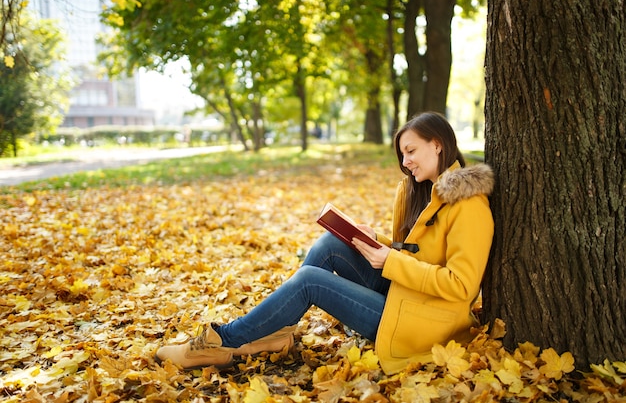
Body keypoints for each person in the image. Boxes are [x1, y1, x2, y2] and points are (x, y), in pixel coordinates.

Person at [155, 112, 495, 375]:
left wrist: (389, 261)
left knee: (308, 282)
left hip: (423, 322)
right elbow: (415, 251)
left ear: (437, 144)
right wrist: (374, 240)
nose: (405, 162)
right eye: (402, 154)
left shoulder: (469, 205)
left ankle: (222, 342)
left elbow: (462, 286)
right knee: (330, 243)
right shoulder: (415, 191)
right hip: (402, 295)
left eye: (411, 151)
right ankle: (273, 334)